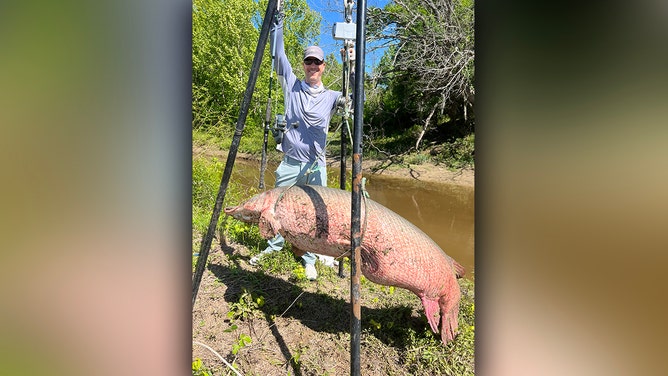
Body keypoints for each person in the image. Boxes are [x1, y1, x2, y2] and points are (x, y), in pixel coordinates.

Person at [249, 13, 342, 280]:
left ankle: (310, 256)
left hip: (317, 165)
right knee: (277, 206)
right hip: (290, 161)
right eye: (308, 61)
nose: (312, 65)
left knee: (314, 212)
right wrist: (276, 21)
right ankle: (274, 245)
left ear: (324, 66)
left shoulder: (332, 96)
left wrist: (353, 61)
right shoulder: (292, 86)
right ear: (303, 65)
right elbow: (279, 57)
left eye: (317, 62)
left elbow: (354, 99)